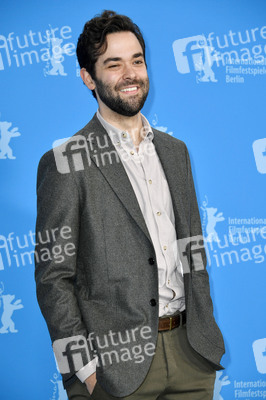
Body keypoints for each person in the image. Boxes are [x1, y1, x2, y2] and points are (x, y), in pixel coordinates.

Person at [35, 10, 225, 400]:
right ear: (88, 77)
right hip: (112, 370)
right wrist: (85, 373)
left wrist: (205, 340)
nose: (131, 74)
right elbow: (53, 278)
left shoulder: (176, 152)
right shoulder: (65, 161)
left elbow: (192, 248)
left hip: (192, 355)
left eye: (137, 60)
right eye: (113, 64)